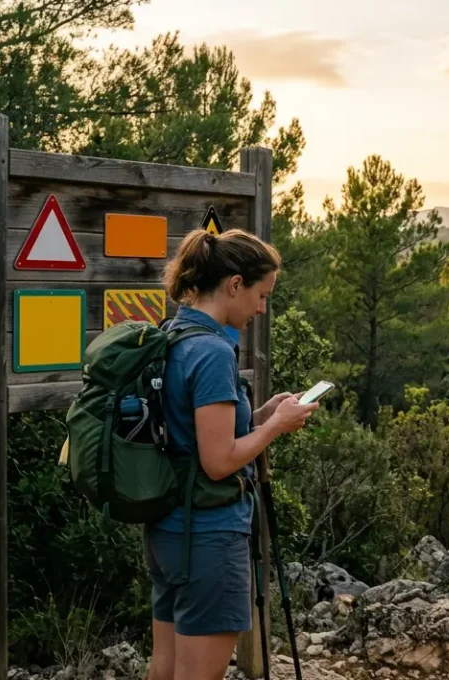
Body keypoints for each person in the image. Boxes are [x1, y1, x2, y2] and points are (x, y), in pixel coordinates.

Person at [147, 228, 319, 680]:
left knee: (164, 667)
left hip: (169, 529)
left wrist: (262, 415)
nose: (262, 308)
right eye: (261, 295)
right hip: (209, 535)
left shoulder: (175, 333)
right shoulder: (213, 353)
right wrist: (278, 428)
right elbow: (219, 460)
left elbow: (193, 431)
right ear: (235, 284)